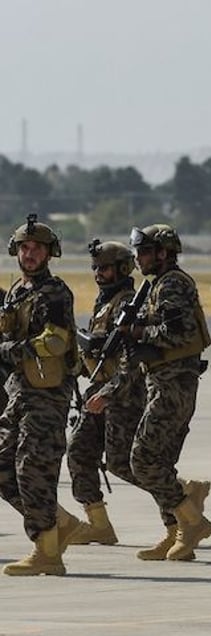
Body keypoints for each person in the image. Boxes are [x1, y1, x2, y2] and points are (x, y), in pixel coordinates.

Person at [123, 223, 211, 561]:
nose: (139, 258)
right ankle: (176, 533)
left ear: (163, 253)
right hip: (163, 381)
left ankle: (192, 521)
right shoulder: (158, 285)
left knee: (142, 458)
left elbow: (177, 331)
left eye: (144, 251)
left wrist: (137, 333)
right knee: (160, 461)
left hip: (173, 384)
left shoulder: (173, 284)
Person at [0, 214, 81, 576]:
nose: (30, 254)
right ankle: (57, 523)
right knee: (3, 468)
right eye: (24, 248)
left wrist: (10, 351)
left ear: (50, 254)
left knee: (34, 467)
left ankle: (47, 550)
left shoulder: (55, 293)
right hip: (19, 392)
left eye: (37, 249)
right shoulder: (18, 292)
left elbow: (55, 341)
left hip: (47, 394)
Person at [66, 240, 147, 545]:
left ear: (123, 269)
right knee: (79, 451)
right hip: (99, 389)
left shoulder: (130, 305)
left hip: (124, 394)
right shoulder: (105, 304)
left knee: (124, 463)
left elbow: (132, 360)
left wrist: (110, 392)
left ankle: (182, 496)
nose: (99, 273)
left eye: (105, 268)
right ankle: (98, 523)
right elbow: (99, 355)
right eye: (96, 268)